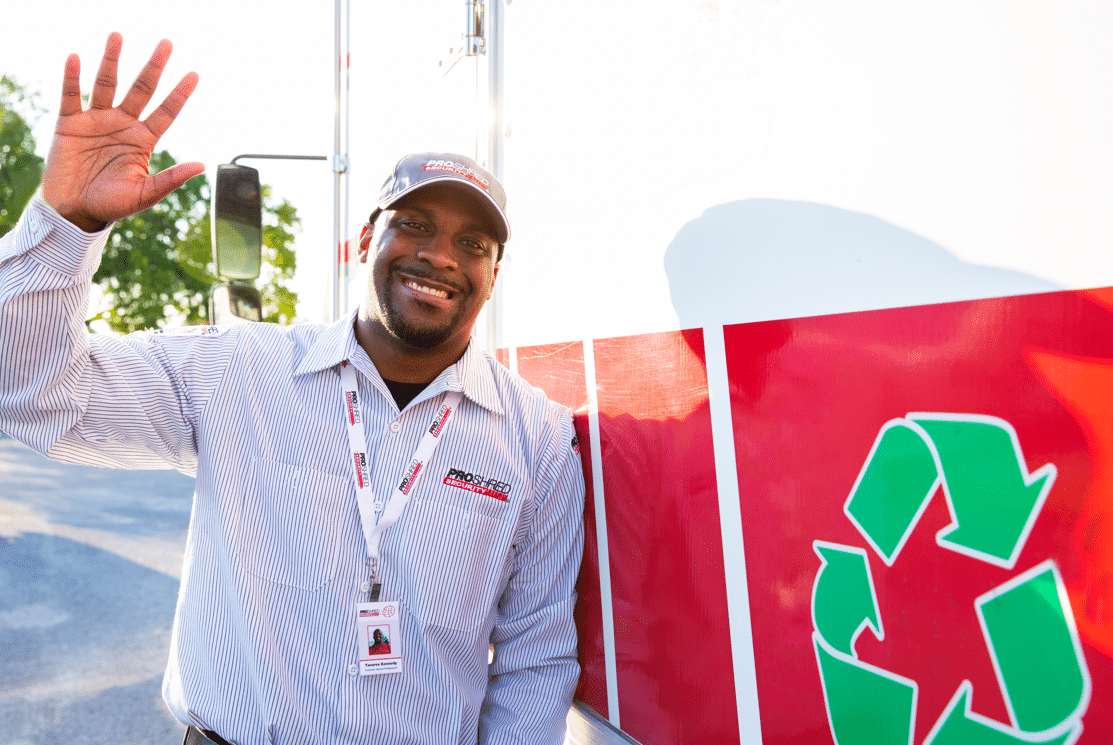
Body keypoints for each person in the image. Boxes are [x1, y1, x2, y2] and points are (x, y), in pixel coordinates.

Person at [0, 33, 584, 745]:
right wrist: (69, 223)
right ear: (368, 240)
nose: (439, 255)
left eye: (473, 244)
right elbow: (35, 396)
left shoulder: (540, 439)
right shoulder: (237, 369)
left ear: (494, 273)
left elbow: (534, 657)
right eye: (416, 225)